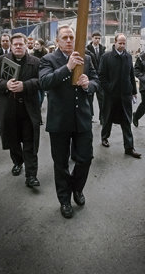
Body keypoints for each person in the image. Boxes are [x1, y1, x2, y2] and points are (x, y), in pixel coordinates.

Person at [39, 25, 99, 219]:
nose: (68, 41)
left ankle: (77, 189)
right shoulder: (48, 59)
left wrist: (88, 84)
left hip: (82, 117)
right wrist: (68, 68)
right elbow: (45, 82)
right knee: (61, 163)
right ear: (57, 41)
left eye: (71, 37)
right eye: (64, 37)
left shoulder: (87, 58)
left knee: (85, 158)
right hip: (59, 120)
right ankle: (64, 200)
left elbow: (97, 81)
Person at [0, 33, 41, 188]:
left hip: (28, 109)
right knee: (13, 140)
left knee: (29, 142)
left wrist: (25, 86)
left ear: (27, 45)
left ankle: (31, 175)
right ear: (11, 46)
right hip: (9, 108)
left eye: (21, 44)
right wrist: (6, 85)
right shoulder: (0, 61)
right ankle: (17, 162)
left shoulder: (36, 62)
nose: (18, 47)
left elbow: (42, 81)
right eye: (15, 44)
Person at [99, 33, 141, 158]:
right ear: (115, 43)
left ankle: (129, 147)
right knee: (108, 118)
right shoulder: (106, 57)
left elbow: (131, 75)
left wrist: (134, 91)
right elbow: (101, 76)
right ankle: (104, 137)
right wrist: (108, 88)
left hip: (125, 95)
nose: (122, 45)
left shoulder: (128, 57)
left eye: (124, 43)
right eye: (120, 43)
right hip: (111, 95)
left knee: (126, 121)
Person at [86, 31, 105, 123]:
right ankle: (89, 116)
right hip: (91, 77)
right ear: (92, 38)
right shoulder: (87, 49)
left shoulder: (103, 49)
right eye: (95, 38)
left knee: (101, 98)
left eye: (99, 38)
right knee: (90, 98)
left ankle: (102, 117)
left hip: (100, 77)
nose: (97, 40)